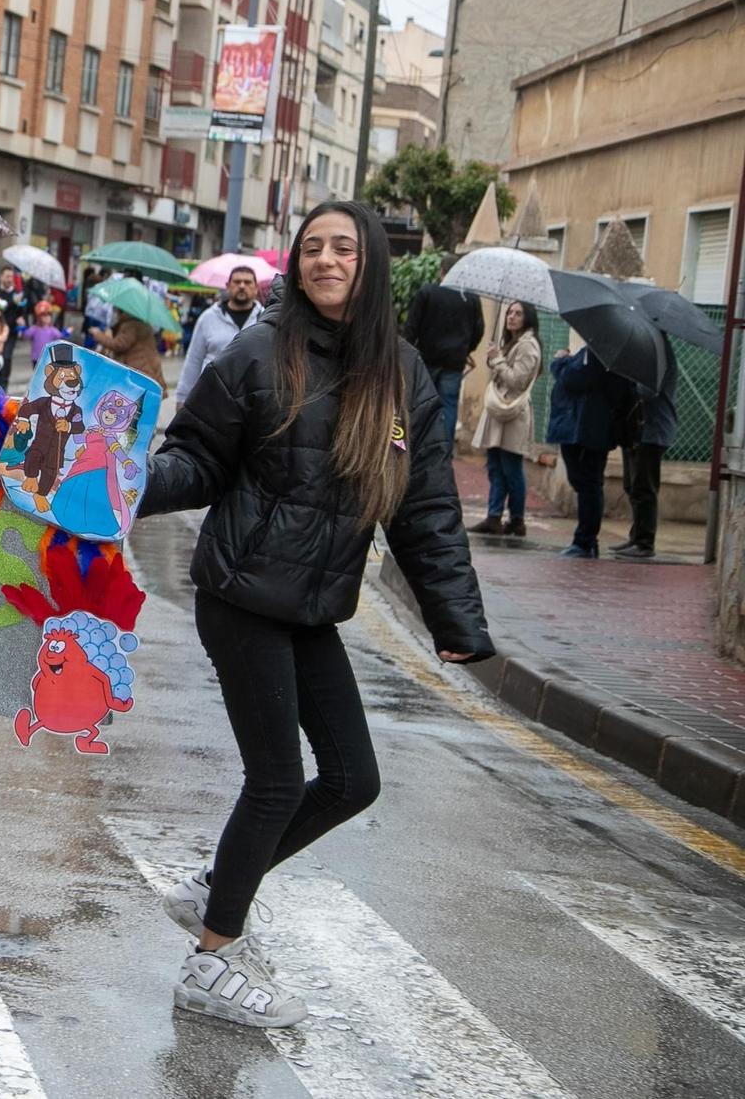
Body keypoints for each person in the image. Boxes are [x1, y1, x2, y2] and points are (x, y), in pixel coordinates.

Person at [139, 201, 492, 1029]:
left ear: (369, 263)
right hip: (242, 595)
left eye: (344, 247)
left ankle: (214, 889)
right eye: (312, 248)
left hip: (311, 606)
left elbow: (427, 506)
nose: (327, 259)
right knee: (274, 782)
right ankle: (212, 957)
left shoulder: (401, 375)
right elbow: (192, 459)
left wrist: (457, 620)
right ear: (294, 265)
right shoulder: (259, 353)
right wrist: (111, 489)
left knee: (352, 779)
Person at [545, 344, 632, 559]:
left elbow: (574, 379)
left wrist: (561, 361)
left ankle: (585, 541)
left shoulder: (598, 352)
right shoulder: (601, 353)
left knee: (588, 485)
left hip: (585, 430)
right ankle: (586, 540)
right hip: (588, 429)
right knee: (586, 483)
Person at [467, 301, 542, 538]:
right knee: (495, 466)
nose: (511, 317)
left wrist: (498, 360)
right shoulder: (512, 343)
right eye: (510, 312)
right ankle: (494, 516)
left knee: (511, 467)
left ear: (527, 317)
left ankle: (517, 520)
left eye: (518, 313)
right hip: (501, 412)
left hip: (512, 413)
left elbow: (517, 381)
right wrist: (495, 358)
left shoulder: (528, 346)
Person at [401, 263, 484, 449]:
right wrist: (465, 350)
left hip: (427, 358)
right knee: (448, 406)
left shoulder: (428, 292)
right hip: (454, 362)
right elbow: (479, 330)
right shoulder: (471, 298)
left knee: (421, 402)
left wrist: (406, 353)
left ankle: (418, 445)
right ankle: (443, 449)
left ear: (442, 271)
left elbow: (411, 326)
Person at [613, 344, 677, 560]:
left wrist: (630, 376)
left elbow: (647, 391)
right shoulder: (648, 352)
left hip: (653, 430)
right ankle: (636, 537)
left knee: (644, 488)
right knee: (632, 485)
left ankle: (644, 543)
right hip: (637, 430)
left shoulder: (659, 354)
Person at [177, 265, 264, 402]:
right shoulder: (208, 318)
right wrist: (182, 397)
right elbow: (194, 359)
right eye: (237, 282)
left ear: (256, 288)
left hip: (253, 402)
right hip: (211, 399)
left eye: (247, 282)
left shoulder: (266, 319)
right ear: (228, 286)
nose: (242, 286)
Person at [88, 309, 168, 395]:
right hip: (147, 365)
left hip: (141, 367)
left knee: (138, 398)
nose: (114, 314)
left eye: (116, 311)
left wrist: (98, 334)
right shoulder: (140, 322)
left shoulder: (131, 325)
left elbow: (119, 345)